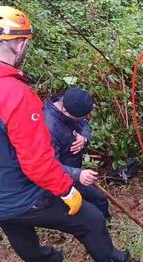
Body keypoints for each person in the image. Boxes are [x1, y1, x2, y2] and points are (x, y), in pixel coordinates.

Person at [0, 6, 130, 262]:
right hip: (17, 194)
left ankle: (44, 258)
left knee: (14, 223)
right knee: (91, 220)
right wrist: (67, 190)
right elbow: (36, 163)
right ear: (18, 45)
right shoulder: (16, 95)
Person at [44, 87, 110, 220]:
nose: (81, 119)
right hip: (63, 178)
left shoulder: (70, 104)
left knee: (98, 201)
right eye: (77, 117)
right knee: (99, 201)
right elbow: (49, 166)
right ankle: (102, 226)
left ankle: (102, 223)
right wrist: (77, 174)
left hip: (74, 169)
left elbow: (83, 123)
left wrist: (84, 138)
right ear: (64, 110)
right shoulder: (49, 129)